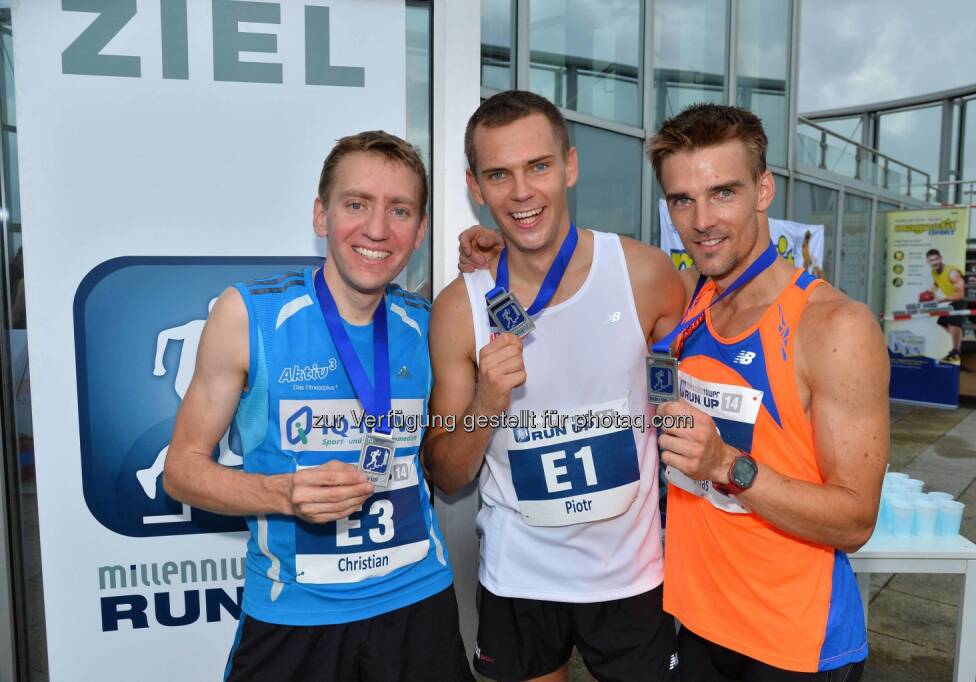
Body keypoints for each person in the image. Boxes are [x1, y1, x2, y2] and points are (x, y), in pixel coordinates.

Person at [163, 131, 472, 682]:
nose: (377, 229)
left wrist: (487, 270)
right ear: (320, 215)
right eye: (356, 204)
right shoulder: (249, 316)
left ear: (420, 230)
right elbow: (182, 470)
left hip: (417, 602)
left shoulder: (427, 325)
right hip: (295, 616)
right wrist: (280, 493)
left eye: (399, 210)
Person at [424, 90, 684, 682]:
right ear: (475, 186)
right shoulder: (459, 310)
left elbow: (695, 393)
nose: (521, 192)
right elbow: (447, 472)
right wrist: (488, 404)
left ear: (569, 165)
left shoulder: (646, 276)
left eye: (538, 166)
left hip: (633, 577)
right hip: (520, 579)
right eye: (499, 174)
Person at [649, 103, 887, 681]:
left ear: (764, 189)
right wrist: (498, 251)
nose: (702, 220)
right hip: (701, 623)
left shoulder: (833, 327)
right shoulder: (694, 299)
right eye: (682, 199)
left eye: (723, 193)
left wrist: (727, 464)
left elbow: (855, 520)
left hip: (793, 643)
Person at [922, 248, 966, 362]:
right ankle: (960, 339)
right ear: (928, 262)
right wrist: (929, 292)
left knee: (952, 323)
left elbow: (961, 294)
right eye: (931, 260)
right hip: (952, 300)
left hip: (962, 299)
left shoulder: (952, 273)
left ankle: (955, 352)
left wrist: (942, 300)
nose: (934, 262)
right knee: (942, 322)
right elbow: (937, 282)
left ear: (941, 258)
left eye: (936, 259)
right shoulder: (934, 272)